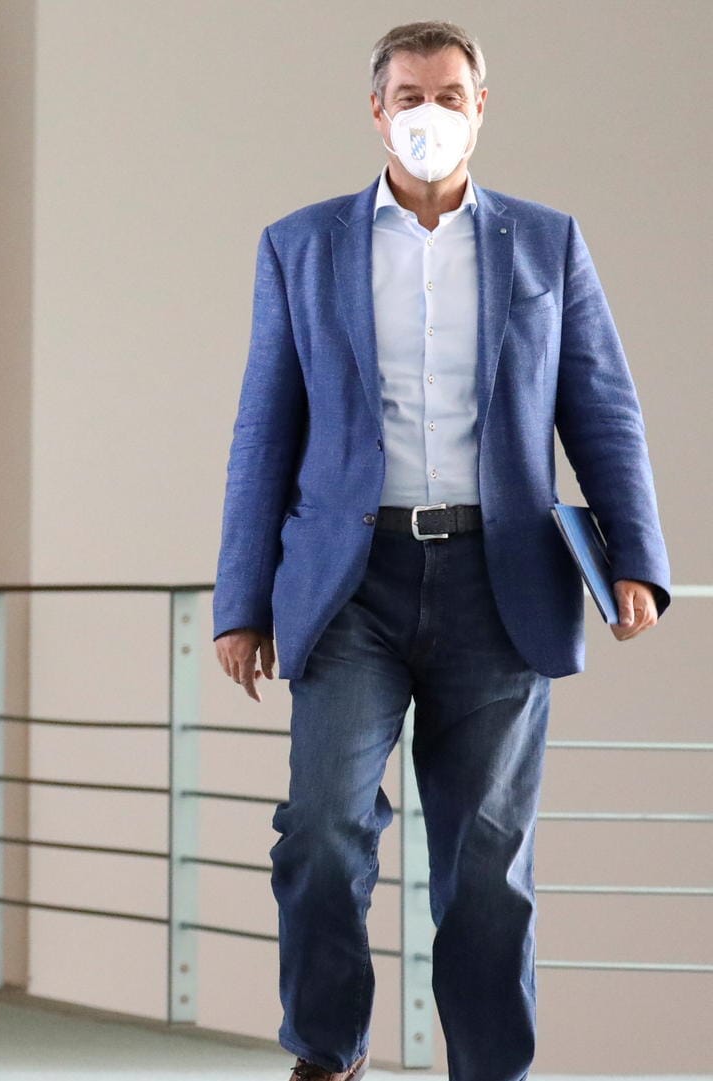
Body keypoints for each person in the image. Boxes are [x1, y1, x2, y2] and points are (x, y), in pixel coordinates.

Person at [213, 22, 669, 1081]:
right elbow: (261, 431)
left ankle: (491, 1069)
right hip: (349, 586)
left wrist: (634, 554)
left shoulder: (546, 243)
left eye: (449, 95)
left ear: (481, 106)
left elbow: (602, 406)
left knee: (489, 863)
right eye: (409, 95)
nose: (429, 114)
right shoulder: (304, 244)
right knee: (323, 828)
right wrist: (243, 601)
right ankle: (327, 1051)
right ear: (376, 110)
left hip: (498, 584)